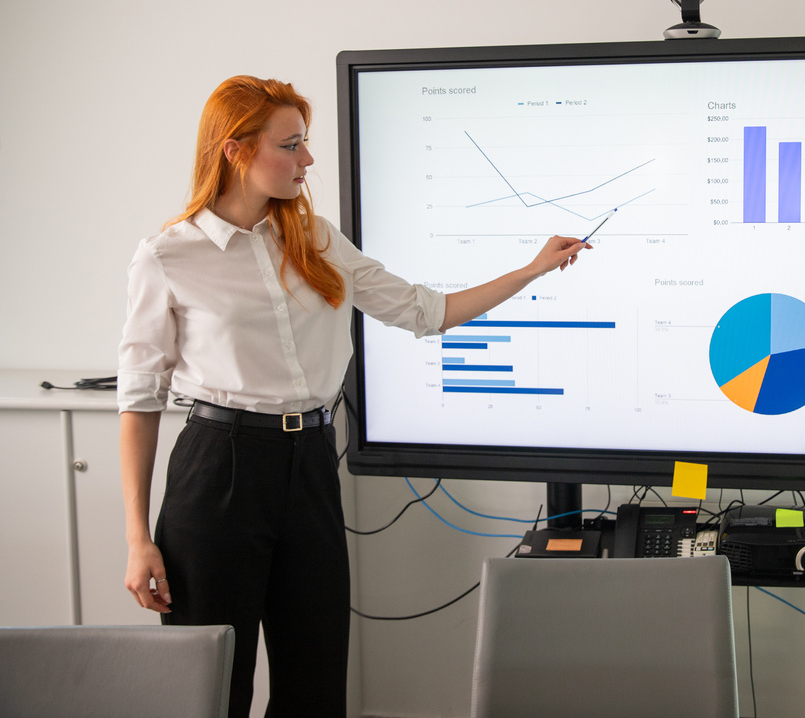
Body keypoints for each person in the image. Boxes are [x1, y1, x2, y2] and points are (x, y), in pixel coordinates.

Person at [117, 75, 590, 718]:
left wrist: (532, 268)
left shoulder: (316, 238)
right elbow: (139, 400)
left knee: (316, 680)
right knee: (211, 683)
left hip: (310, 462)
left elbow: (426, 311)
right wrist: (138, 537)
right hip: (218, 469)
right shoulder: (168, 256)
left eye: (305, 143)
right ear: (235, 151)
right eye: (291, 145)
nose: (307, 161)